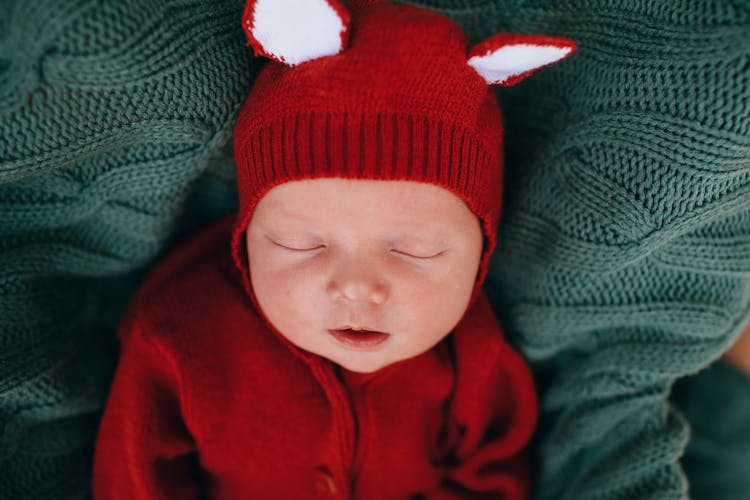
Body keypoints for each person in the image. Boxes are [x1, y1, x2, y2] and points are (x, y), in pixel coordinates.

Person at [91, 0, 575, 497]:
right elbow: (132, 479)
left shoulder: (473, 355)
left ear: (481, 253)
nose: (357, 286)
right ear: (246, 235)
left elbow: (493, 474)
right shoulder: (177, 336)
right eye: (300, 244)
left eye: (417, 249)